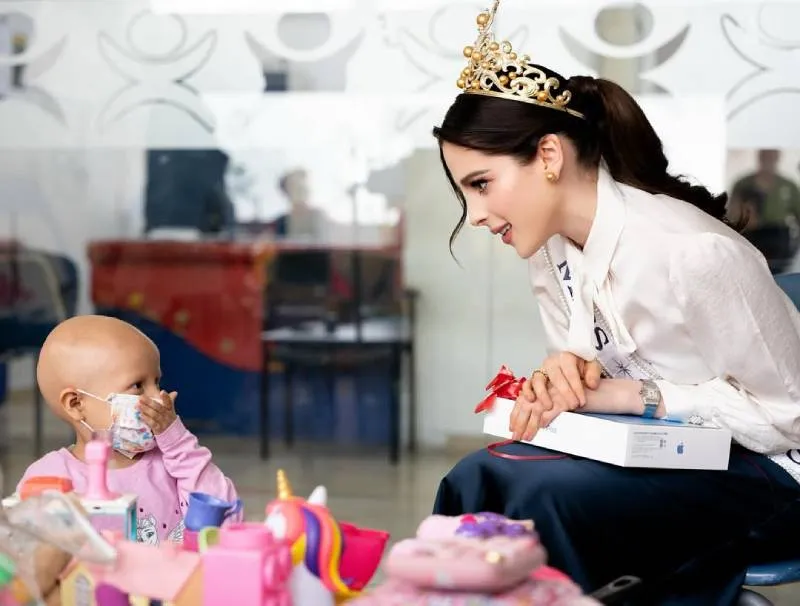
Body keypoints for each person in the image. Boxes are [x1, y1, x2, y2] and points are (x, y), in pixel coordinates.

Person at [431, 2, 800, 604]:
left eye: (481, 185)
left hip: (776, 473)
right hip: (668, 453)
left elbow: (791, 416)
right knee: (481, 473)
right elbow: (587, 367)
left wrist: (638, 396)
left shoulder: (692, 253)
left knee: (550, 499)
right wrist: (564, 376)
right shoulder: (548, 254)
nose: (473, 216)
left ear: (548, 156)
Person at [16, 315, 241, 544]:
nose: (158, 398)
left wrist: (177, 442)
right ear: (76, 404)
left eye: (157, 383)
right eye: (137, 386)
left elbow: (226, 523)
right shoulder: (48, 478)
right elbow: (26, 559)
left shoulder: (175, 463)